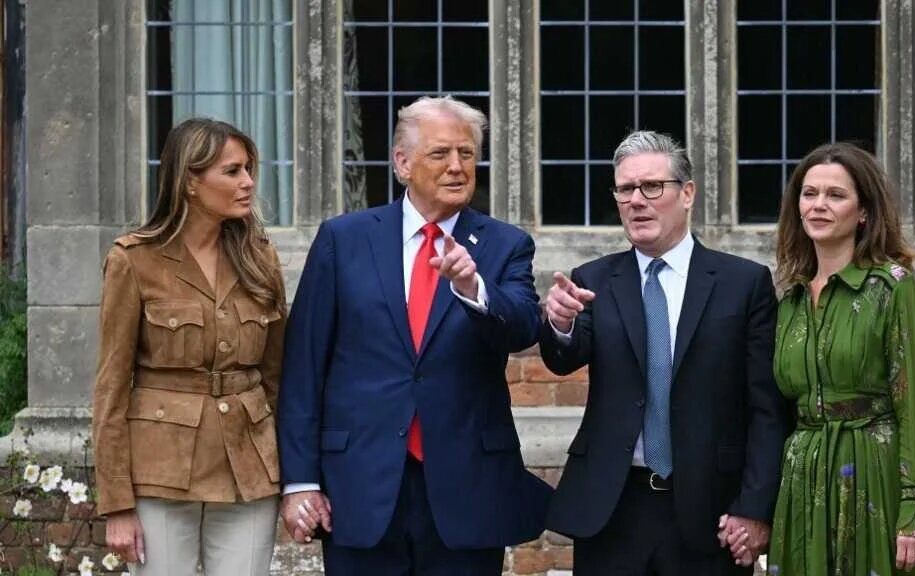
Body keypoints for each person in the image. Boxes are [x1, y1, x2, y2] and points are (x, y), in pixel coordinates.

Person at [276, 95, 551, 575]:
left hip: (467, 487)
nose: (457, 167)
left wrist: (473, 288)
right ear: (402, 163)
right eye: (440, 154)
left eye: (467, 154)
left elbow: (524, 326)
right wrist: (299, 480)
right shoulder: (344, 239)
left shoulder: (505, 244)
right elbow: (304, 365)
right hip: (359, 484)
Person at [540, 130, 791, 575]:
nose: (637, 200)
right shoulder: (594, 278)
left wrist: (754, 508)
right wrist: (559, 323)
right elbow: (564, 358)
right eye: (625, 189)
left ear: (687, 193)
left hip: (708, 512)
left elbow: (767, 408)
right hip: (612, 508)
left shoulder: (742, 283)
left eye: (652, 187)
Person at [93, 118, 287, 575]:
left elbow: (278, 376)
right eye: (233, 171)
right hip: (160, 469)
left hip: (249, 468)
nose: (248, 183)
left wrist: (288, 469)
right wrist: (117, 502)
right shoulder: (135, 260)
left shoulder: (260, 257)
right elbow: (111, 388)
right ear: (191, 182)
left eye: (248, 170)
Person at [760, 142, 915, 575]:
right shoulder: (789, 299)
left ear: (863, 212)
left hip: (873, 476)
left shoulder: (891, 289)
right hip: (803, 480)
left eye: (835, 195)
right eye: (809, 194)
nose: (819, 206)